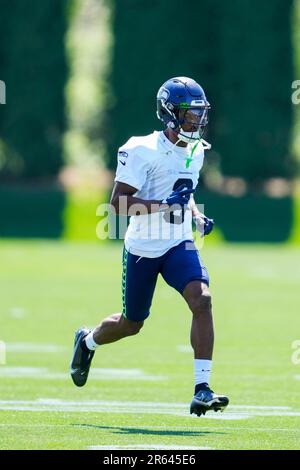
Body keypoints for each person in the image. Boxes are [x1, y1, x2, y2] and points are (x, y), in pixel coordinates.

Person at [70, 76, 229, 416]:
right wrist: (163, 205)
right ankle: (87, 341)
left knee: (202, 299)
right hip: (143, 247)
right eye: (190, 114)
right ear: (170, 114)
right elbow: (117, 205)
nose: (197, 121)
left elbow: (183, 194)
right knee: (131, 324)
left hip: (178, 242)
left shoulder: (198, 150)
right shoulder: (141, 149)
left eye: (201, 113)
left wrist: (195, 217)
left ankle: (202, 388)